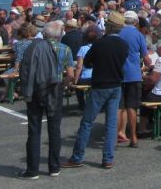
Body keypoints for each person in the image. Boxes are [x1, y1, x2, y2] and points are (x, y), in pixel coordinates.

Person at [63, 10, 129, 169]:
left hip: (100, 84)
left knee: (87, 122)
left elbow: (87, 62)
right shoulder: (123, 45)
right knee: (111, 123)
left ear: (109, 26)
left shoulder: (100, 44)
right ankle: (108, 158)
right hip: (116, 84)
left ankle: (77, 157)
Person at [18, 21, 73, 179]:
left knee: (34, 129)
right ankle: (54, 167)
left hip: (37, 89)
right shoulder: (66, 49)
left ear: (46, 34)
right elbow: (70, 74)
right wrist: (64, 84)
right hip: (55, 89)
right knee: (54, 129)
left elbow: (27, 68)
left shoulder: (35, 47)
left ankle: (32, 170)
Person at [117, 10, 152, 147]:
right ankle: (133, 137)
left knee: (118, 107)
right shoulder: (138, 35)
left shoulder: (118, 33)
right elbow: (146, 57)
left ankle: (115, 137)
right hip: (134, 74)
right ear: (136, 22)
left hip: (118, 73)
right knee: (132, 107)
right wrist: (152, 66)